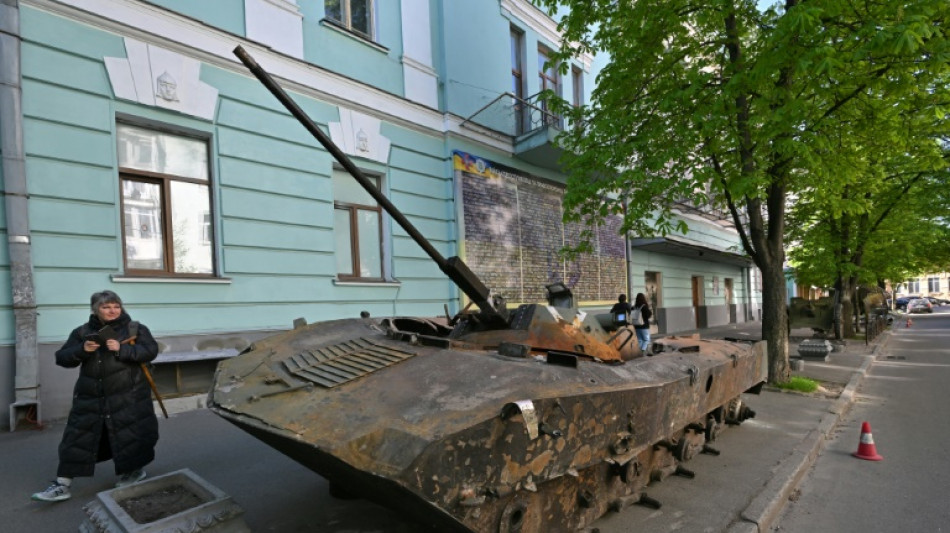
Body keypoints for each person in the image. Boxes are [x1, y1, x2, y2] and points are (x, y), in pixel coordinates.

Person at [32, 290, 160, 502]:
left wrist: (122, 349)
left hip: (128, 397)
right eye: (106, 307)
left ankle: (134, 472)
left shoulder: (135, 328)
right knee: (77, 439)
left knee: (130, 436)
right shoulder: (82, 332)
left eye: (116, 306)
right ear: (95, 309)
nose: (112, 310)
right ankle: (62, 484)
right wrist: (82, 349)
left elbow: (151, 351)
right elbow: (62, 358)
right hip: (90, 397)